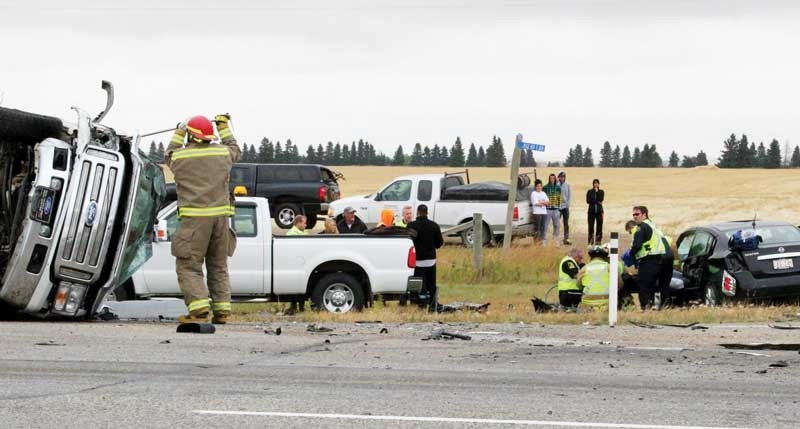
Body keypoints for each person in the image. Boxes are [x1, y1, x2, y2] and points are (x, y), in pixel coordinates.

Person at [166, 114, 241, 324]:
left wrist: (179, 131)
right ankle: (222, 311)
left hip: (194, 222)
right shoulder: (223, 153)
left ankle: (199, 311)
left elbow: (168, 154)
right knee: (218, 266)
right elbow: (235, 148)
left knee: (189, 266)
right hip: (221, 221)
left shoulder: (181, 157)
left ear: (192, 136)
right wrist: (224, 126)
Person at [407, 204, 444, 312]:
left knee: (419, 283)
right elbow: (439, 243)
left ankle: (421, 303)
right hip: (430, 260)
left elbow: (408, 242)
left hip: (417, 260)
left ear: (417, 213)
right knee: (431, 283)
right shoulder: (434, 225)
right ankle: (433, 303)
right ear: (427, 213)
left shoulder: (412, 226)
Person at [629, 205, 666, 310]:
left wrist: (631, 254)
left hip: (647, 261)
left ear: (644, 214)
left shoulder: (642, 227)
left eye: (637, 214)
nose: (635, 217)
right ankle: (654, 307)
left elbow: (637, 245)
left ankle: (646, 308)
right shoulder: (652, 225)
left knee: (644, 287)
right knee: (653, 287)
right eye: (633, 215)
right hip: (658, 261)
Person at [542, 173, 562, 246]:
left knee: (557, 225)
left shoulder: (558, 188)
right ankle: (544, 241)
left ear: (555, 179)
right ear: (549, 179)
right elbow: (543, 198)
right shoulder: (545, 187)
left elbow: (560, 198)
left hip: (556, 209)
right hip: (548, 209)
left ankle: (556, 240)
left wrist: (559, 208)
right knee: (545, 225)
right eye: (551, 178)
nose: (552, 180)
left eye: (553, 178)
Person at [586, 179, 604, 245]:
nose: (596, 184)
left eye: (597, 183)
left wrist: (597, 193)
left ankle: (598, 241)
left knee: (599, 226)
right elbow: (588, 201)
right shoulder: (589, 191)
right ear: (593, 184)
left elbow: (601, 199)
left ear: (599, 184)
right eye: (594, 183)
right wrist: (596, 201)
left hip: (599, 211)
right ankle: (590, 241)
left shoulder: (601, 191)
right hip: (591, 212)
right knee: (591, 226)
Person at [557, 171, 572, 245]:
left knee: (566, 223)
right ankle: (556, 238)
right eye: (561, 177)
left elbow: (569, 196)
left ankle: (566, 238)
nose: (562, 178)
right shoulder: (556, 185)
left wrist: (568, 205)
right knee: (557, 223)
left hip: (565, 207)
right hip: (558, 207)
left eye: (563, 177)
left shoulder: (568, 185)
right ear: (558, 177)